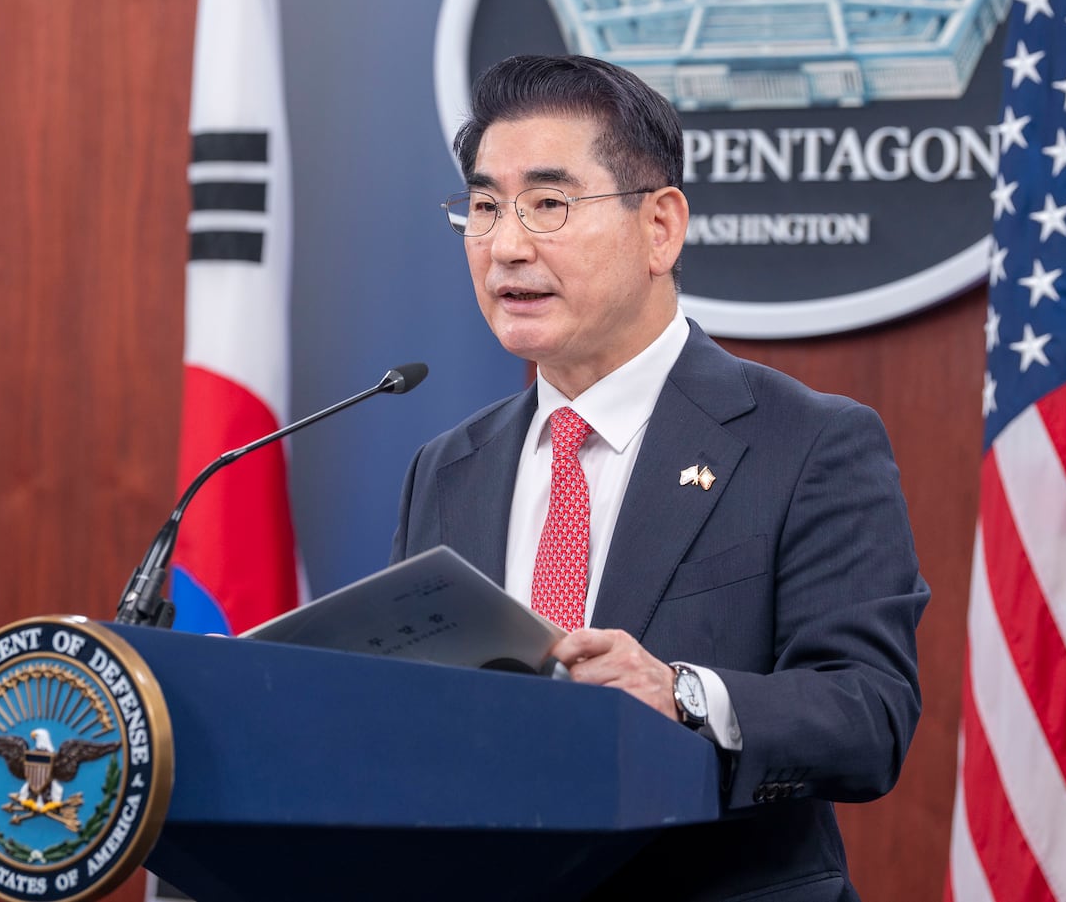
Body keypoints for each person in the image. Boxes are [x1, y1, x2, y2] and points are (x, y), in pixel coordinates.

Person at [391, 54, 928, 901]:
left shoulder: (809, 443)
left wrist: (683, 694)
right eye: (485, 207)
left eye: (549, 204)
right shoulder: (446, 469)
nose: (505, 245)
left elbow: (870, 716)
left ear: (661, 228)